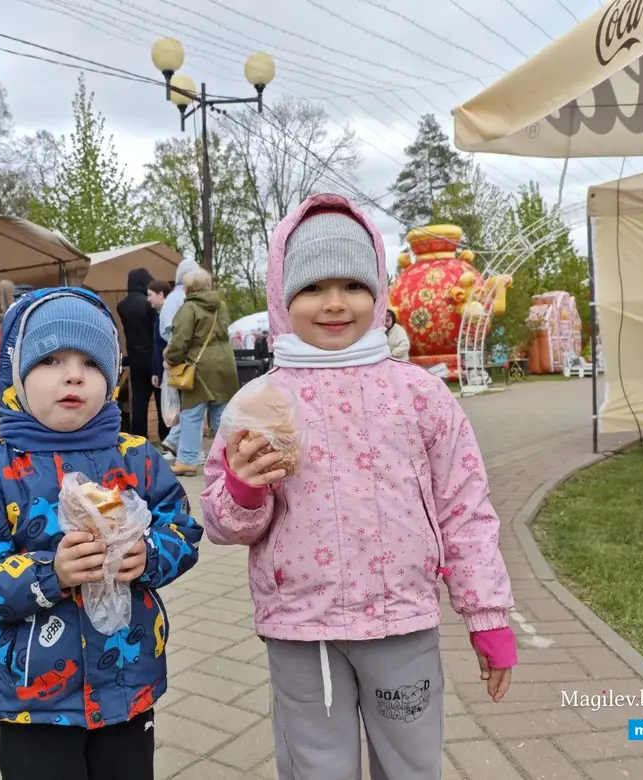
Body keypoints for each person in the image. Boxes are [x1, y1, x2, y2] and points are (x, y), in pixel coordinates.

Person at [199, 194, 517, 780]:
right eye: (314, 288)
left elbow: (464, 509)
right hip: (302, 630)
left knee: (412, 766)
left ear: (379, 292)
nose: (335, 303)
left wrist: (487, 612)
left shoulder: (419, 395)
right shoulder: (260, 402)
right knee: (316, 769)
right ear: (282, 295)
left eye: (353, 284)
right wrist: (244, 492)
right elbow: (222, 521)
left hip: (403, 624)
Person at [0, 287, 202, 780]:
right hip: (36, 702)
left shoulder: (138, 458)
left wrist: (150, 554)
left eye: (91, 362)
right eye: (52, 359)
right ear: (16, 375)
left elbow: (183, 529)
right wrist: (48, 574)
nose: (74, 374)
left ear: (112, 378)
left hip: (129, 685)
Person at [164, 269, 239, 477]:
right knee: (222, 414)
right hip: (225, 362)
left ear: (188, 288)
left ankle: (187, 460)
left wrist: (170, 359)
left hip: (200, 365)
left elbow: (180, 340)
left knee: (191, 414)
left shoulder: (190, 308)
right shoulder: (220, 305)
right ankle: (230, 458)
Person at [158, 259, 200, 458]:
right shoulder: (182, 299)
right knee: (191, 406)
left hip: (180, 357)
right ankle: (177, 444)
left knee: (188, 405)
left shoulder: (174, 299)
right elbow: (177, 334)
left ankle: (174, 442)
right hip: (183, 359)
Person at [116, 268, 156, 440]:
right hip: (152, 356)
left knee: (139, 401)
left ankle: (139, 437)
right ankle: (165, 435)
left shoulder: (122, 306)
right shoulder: (148, 303)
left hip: (134, 357)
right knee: (161, 400)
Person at [147, 280, 173, 449]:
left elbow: (161, 346)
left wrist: (157, 370)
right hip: (164, 366)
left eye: (150, 295)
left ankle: (173, 443)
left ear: (160, 294)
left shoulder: (165, 316)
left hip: (169, 366)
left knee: (171, 405)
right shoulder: (161, 314)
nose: (148, 299)